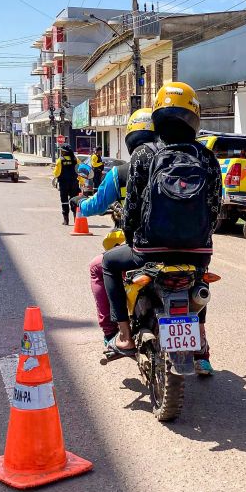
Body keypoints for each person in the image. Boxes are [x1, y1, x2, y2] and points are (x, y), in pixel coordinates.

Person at [102, 82, 222, 375]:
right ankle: (201, 347)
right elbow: (216, 209)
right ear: (194, 116)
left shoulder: (144, 154)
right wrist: (200, 237)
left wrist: (133, 239)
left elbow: (131, 208)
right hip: (197, 251)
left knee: (107, 263)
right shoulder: (207, 157)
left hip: (149, 250)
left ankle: (125, 336)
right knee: (196, 281)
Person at [83, 108, 155, 345]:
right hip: (187, 244)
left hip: (144, 246)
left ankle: (114, 333)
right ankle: (202, 351)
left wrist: (80, 204)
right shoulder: (173, 163)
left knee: (100, 266)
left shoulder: (121, 172)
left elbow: (97, 204)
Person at [52, 144, 79, 225]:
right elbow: (80, 171)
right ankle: (76, 219)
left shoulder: (60, 160)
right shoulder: (75, 159)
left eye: (61, 151)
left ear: (64, 152)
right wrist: (82, 182)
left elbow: (56, 174)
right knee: (74, 200)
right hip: (74, 183)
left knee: (64, 201)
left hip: (64, 184)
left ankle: (66, 220)